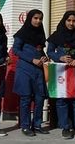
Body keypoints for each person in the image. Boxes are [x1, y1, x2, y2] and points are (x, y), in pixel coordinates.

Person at [47, 10, 75, 139]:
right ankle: (65, 127)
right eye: (69, 20)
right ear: (64, 21)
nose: (71, 23)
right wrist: (59, 57)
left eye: (74, 21)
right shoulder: (56, 35)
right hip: (62, 71)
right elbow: (49, 52)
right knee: (62, 100)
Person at [13, 9, 49, 137]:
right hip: (25, 69)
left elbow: (40, 51)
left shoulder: (40, 34)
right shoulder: (22, 34)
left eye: (40, 18)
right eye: (35, 18)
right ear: (30, 19)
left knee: (40, 98)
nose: (38, 21)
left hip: (38, 70)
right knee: (26, 98)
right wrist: (31, 59)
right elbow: (16, 50)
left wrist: (44, 57)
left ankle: (37, 125)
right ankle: (25, 126)